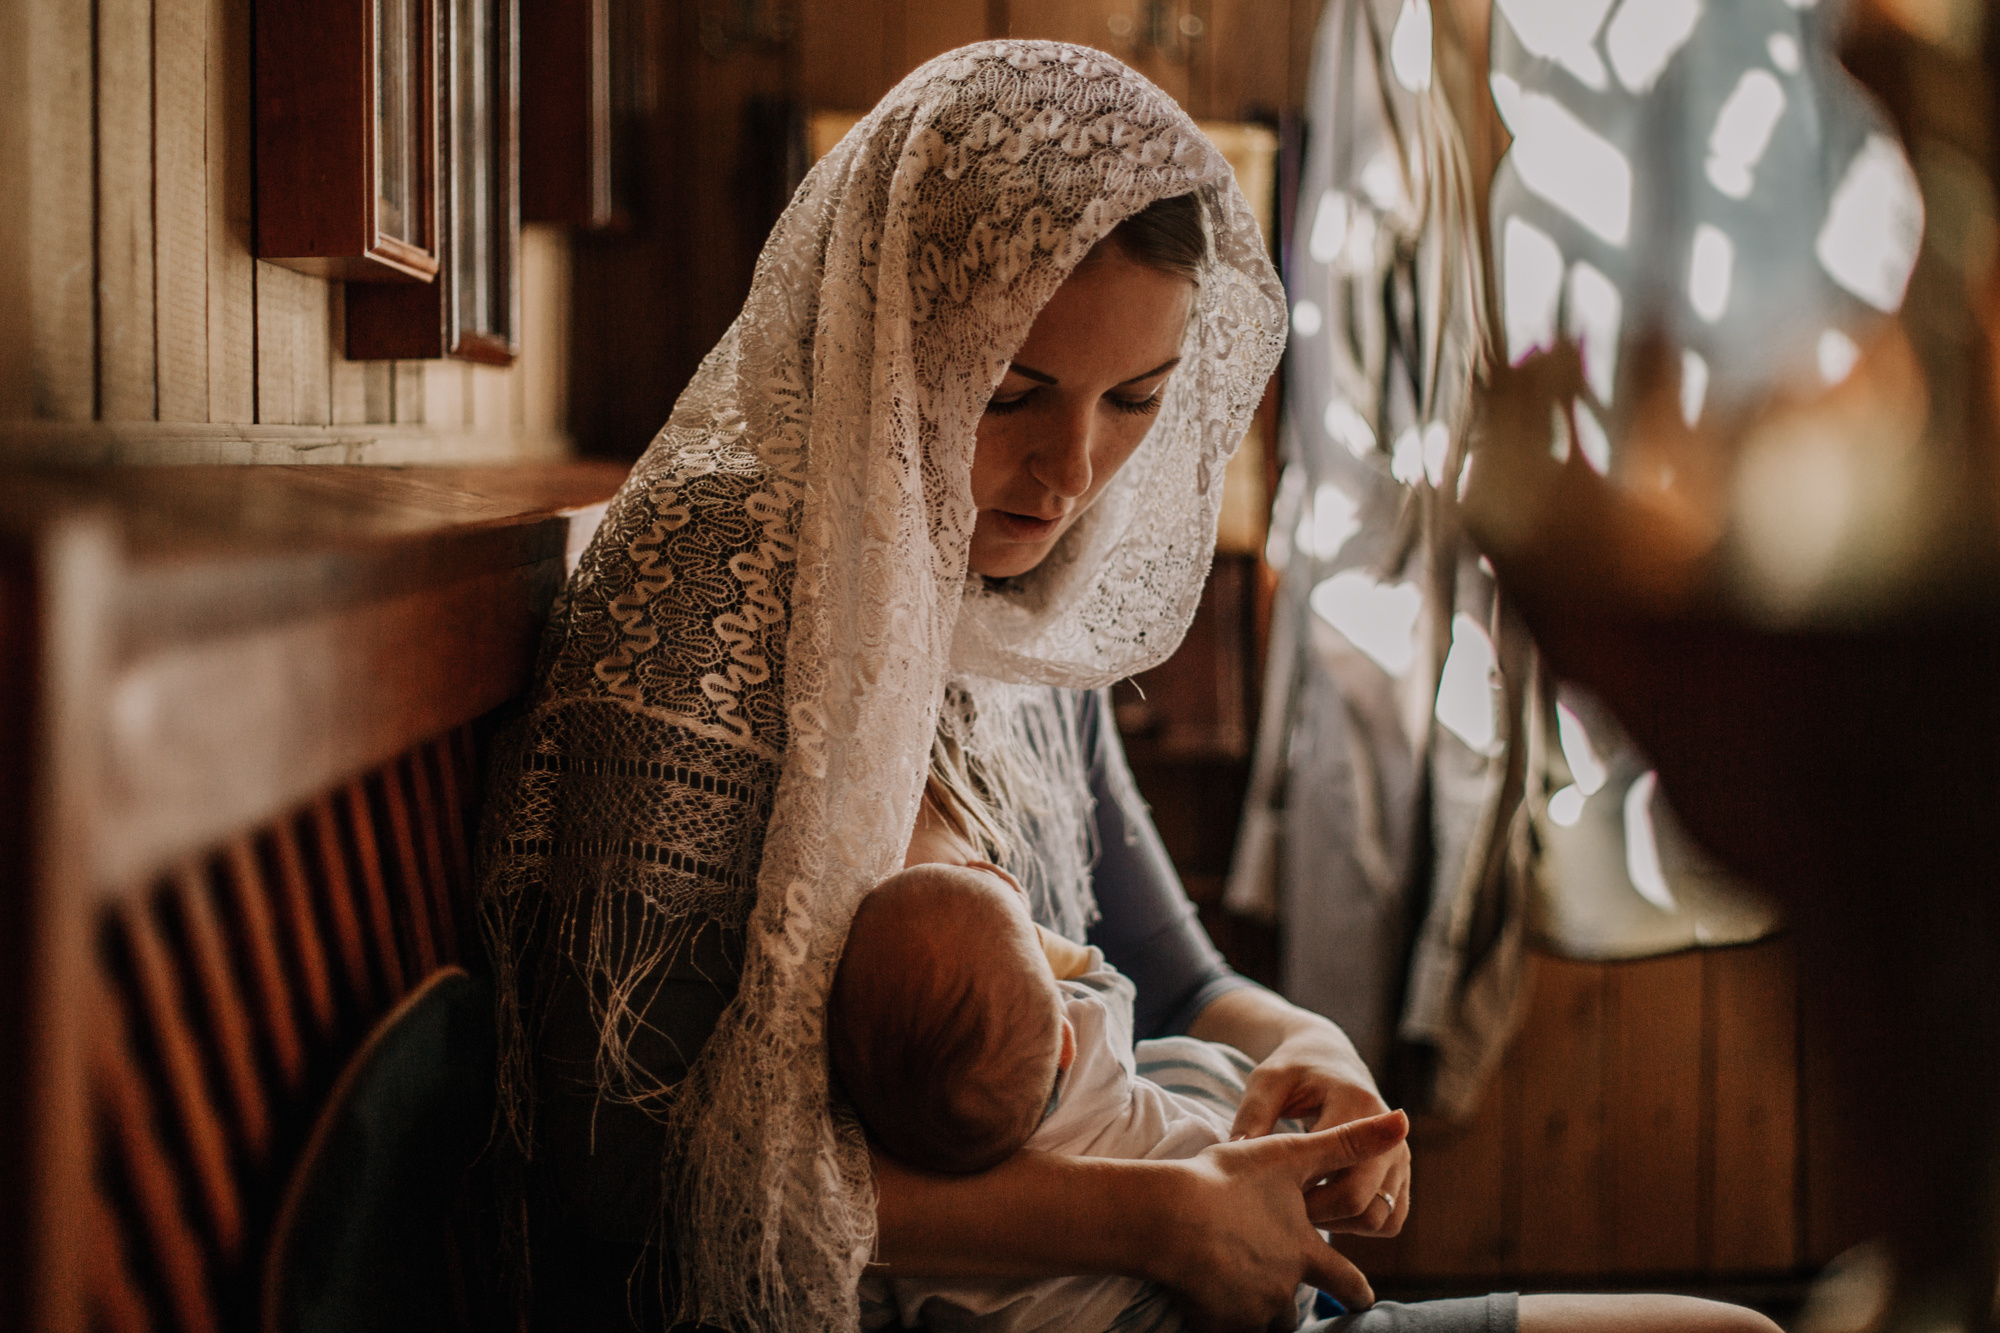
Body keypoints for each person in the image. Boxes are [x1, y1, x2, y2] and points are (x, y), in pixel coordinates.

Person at [478, 39, 1783, 1333]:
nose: (1070, 472)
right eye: (1013, 393)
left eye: (1136, 401)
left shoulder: (1014, 601)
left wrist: (1309, 1052)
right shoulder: (721, 580)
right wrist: (1154, 1219)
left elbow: (1176, 976)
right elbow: (621, 1169)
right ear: (894, 335)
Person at [833, 853, 1355, 1332]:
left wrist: (1317, 1042)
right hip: (1259, 1269)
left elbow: (1192, 986)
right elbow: (1103, 978)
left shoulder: (904, 1263)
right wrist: (1017, 919)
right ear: (1066, 1043)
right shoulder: (1088, 1046)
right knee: (1190, 1061)